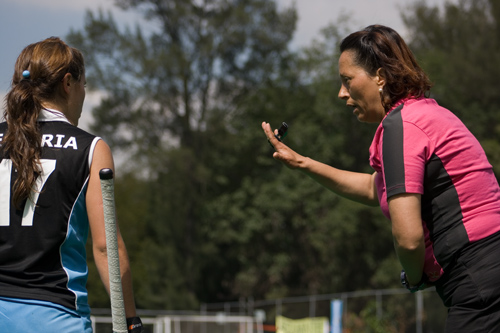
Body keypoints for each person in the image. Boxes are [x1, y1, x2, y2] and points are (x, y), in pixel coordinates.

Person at [262, 25, 500, 332]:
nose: (341, 93)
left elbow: (408, 238)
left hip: (480, 278)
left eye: (347, 80)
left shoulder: (401, 127)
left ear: (379, 76)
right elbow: (378, 189)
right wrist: (303, 163)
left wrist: (414, 278)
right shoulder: (427, 113)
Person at [0, 37, 143, 332]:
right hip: (55, 315)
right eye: (84, 85)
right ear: (68, 83)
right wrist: (131, 320)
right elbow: (105, 248)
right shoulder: (91, 148)